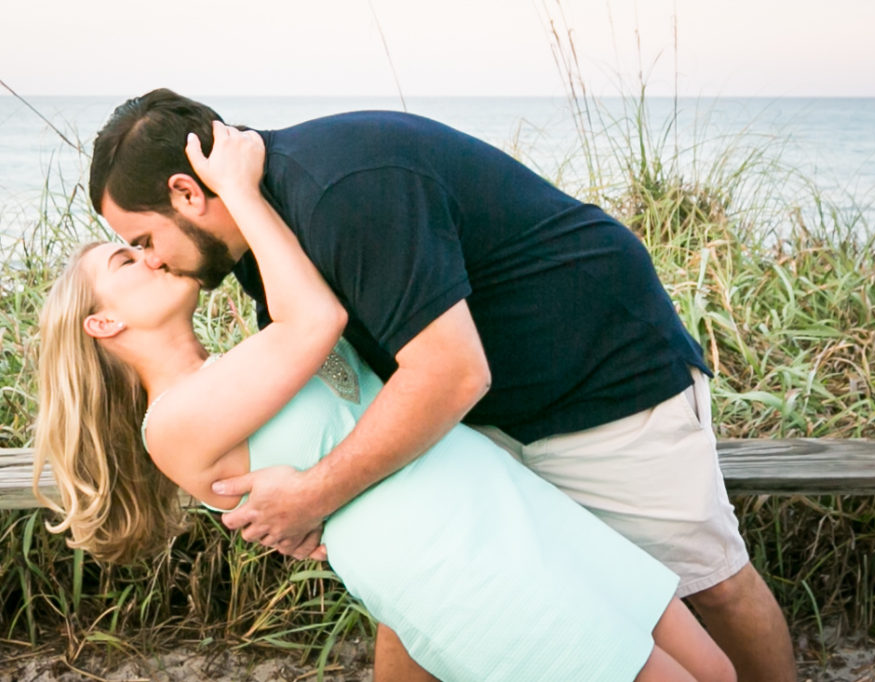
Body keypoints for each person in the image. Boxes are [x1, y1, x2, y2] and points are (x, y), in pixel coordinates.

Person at [87, 89, 796, 682]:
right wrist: (310, 499)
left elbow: (450, 370)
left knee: (714, 583)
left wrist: (315, 495)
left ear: (187, 191)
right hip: (476, 432)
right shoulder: (257, 239)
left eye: (144, 241)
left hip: (596, 379)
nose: (156, 264)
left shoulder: (342, 193)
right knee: (414, 617)